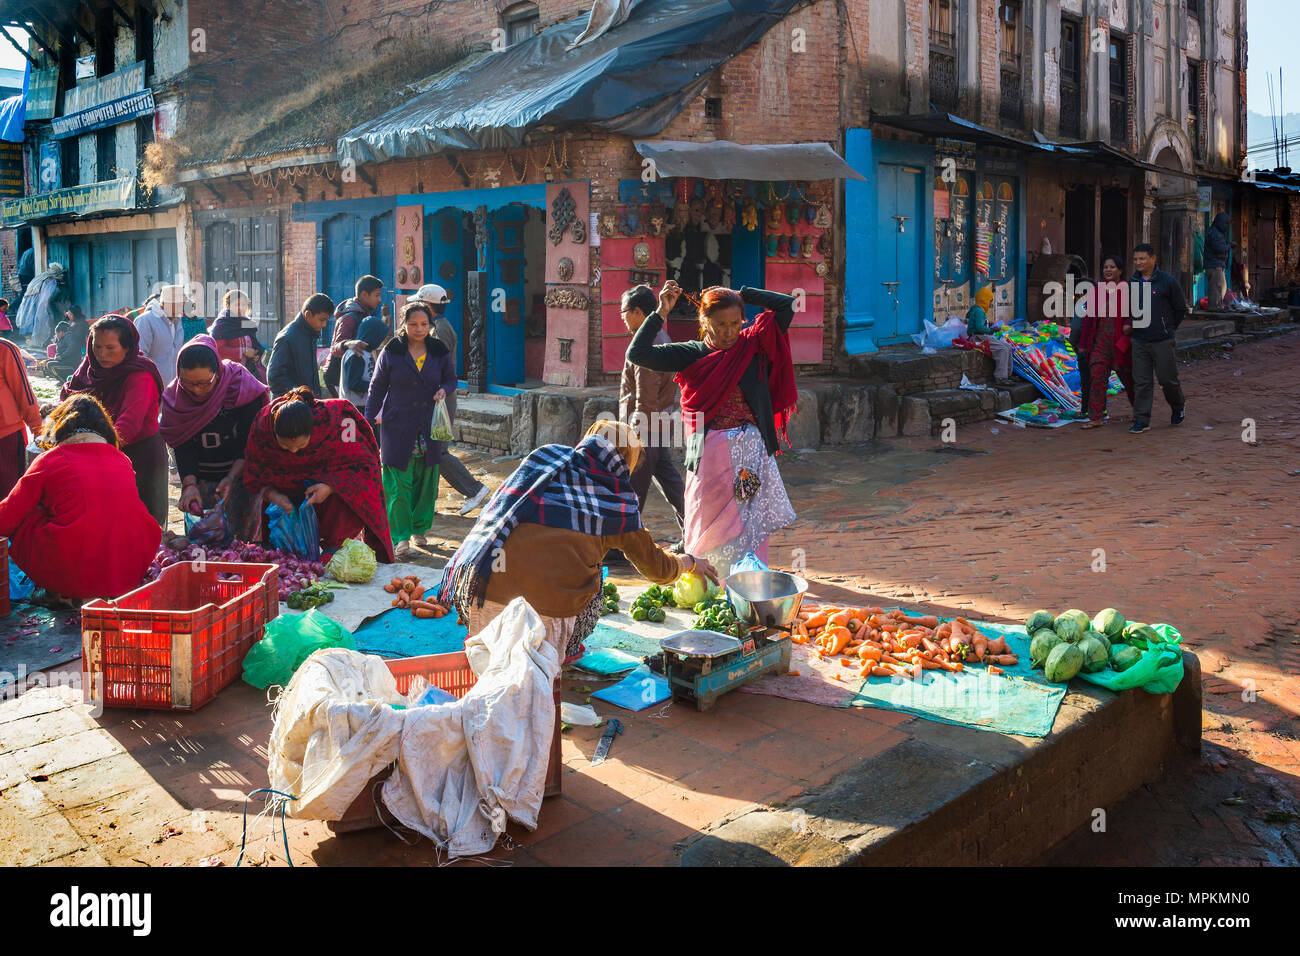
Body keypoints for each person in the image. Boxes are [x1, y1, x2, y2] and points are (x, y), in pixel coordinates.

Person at [440, 420, 718, 665]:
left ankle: (488, 638)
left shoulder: (544, 461)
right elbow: (658, 570)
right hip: (544, 623)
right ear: (626, 461)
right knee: (597, 580)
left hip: (479, 599)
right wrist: (689, 562)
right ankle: (566, 647)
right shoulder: (616, 503)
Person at [627, 281, 797, 573]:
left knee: (749, 521)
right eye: (720, 324)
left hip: (751, 456)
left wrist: (742, 294)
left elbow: (787, 305)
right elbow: (638, 353)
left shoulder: (753, 345)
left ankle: (749, 579)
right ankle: (706, 581)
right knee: (706, 519)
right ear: (704, 322)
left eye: (735, 323)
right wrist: (660, 312)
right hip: (710, 457)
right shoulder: (690, 353)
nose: (729, 332)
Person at [0, 395, 160, 603]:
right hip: (129, 572)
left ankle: (59, 591)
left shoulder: (50, 459)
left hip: (73, 575)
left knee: (27, 511)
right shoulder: (122, 459)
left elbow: (6, 517)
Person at [243, 386, 395, 562]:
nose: (293, 452)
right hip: (283, 507)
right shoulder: (263, 427)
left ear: (313, 432)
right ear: (274, 435)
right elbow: (255, 474)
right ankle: (284, 551)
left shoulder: (334, 422)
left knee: (346, 491)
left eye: (300, 446)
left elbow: (363, 467)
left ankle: (335, 546)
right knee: (283, 552)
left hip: (328, 501)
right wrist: (273, 495)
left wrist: (330, 487)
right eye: (285, 447)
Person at [365, 301, 458, 559]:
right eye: (414, 324)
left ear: (430, 325)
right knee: (397, 484)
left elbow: (451, 379)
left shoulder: (439, 350)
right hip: (397, 426)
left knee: (426, 482)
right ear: (404, 325)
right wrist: (369, 419)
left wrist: (444, 390)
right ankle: (401, 536)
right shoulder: (392, 351)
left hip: (429, 426)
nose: (419, 329)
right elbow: (377, 388)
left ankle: (419, 528)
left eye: (424, 324)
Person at [60, 315, 168, 525]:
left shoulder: (140, 376)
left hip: (139, 457)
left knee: (141, 525)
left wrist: (96, 454)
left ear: (127, 348)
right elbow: (68, 401)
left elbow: (128, 425)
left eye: (110, 348)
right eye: (97, 347)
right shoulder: (88, 371)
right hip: (98, 456)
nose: (101, 354)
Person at [159, 335, 270, 536]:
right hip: (201, 480)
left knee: (244, 546)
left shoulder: (240, 387)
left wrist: (231, 477)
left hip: (242, 477)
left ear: (218, 373)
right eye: (188, 383)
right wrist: (189, 485)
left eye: (204, 383)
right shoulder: (176, 399)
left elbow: (249, 442)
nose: (196, 390)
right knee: (204, 543)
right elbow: (183, 445)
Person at [409, 283, 491, 516]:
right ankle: (426, 502)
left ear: (427, 305)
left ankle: (474, 489)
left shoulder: (440, 331)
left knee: (437, 450)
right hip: (437, 394)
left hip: (440, 396)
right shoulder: (437, 327)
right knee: (429, 451)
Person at [618, 284, 686, 539]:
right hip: (659, 424)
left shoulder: (646, 345)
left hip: (645, 429)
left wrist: (634, 438)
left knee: (632, 489)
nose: (622, 316)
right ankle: (696, 532)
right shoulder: (660, 337)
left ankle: (622, 543)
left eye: (624, 311)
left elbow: (645, 396)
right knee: (669, 482)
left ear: (637, 311)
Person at [1128, 243, 1188, 434]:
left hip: (1162, 340)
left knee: (1167, 379)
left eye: (1142, 258)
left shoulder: (1167, 281)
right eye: (1136, 259)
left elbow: (1180, 308)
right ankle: (1142, 419)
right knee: (1142, 382)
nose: (1138, 262)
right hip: (1139, 339)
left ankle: (1178, 405)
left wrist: (1168, 328)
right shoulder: (1132, 283)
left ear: (1153, 259)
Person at [1079, 254, 1135, 429]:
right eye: (1105, 267)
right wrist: (1083, 344)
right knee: (1097, 377)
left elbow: (1132, 316)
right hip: (1100, 343)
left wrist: (1128, 328)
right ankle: (1095, 417)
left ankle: (1139, 412)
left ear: (1120, 270)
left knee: (1129, 381)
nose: (1108, 270)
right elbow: (1088, 320)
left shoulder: (1127, 290)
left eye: (1112, 267)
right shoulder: (1097, 290)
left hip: (1121, 344)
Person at [324, 275, 384, 397]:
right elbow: (335, 348)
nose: (379, 299)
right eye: (376, 295)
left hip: (353, 376)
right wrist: (347, 344)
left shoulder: (362, 314)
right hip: (338, 377)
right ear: (364, 295)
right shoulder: (349, 318)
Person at [268, 293, 334, 398]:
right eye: (322, 320)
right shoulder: (287, 338)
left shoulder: (310, 333)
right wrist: (301, 395)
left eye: (326, 320)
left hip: (308, 404)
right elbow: (274, 378)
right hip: (291, 408)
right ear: (308, 314)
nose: (324, 325)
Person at [0, 332, 41, 499]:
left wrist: (38, 430)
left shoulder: (5, 349)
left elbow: (24, 393)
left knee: (10, 496)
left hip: (6, 437)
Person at [209, 289, 268, 382]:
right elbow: (218, 351)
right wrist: (243, 351)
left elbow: (254, 342)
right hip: (228, 376)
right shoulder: (221, 325)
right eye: (237, 305)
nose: (241, 308)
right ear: (228, 306)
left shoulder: (247, 323)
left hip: (249, 374)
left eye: (244, 304)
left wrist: (256, 354)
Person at [135, 285, 187, 382]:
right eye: (177, 304)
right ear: (164, 303)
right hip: (150, 386)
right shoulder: (146, 320)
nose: (181, 309)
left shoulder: (178, 323)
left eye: (182, 304)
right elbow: (138, 357)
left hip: (170, 389)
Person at [964, 285, 1015, 383]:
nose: (990, 303)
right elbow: (979, 328)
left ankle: (1008, 374)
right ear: (984, 300)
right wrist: (992, 330)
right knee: (1003, 349)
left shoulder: (976, 309)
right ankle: (1000, 377)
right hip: (978, 337)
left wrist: (988, 322)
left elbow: (973, 320)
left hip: (979, 336)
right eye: (990, 300)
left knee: (1008, 347)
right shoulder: (979, 311)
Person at [15, 261, 70, 347]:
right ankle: (42, 341)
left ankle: (34, 341)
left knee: (32, 321)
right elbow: (47, 298)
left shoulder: (41, 277)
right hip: (41, 304)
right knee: (43, 322)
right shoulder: (50, 281)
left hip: (32, 303)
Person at [340, 314, 389, 408]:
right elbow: (354, 384)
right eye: (380, 338)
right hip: (355, 406)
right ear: (372, 336)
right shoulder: (356, 354)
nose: (380, 342)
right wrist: (378, 385)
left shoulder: (368, 351)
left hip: (365, 403)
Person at [50, 307, 91, 381]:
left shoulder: (82, 323)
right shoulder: (70, 322)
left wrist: (62, 355)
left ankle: (65, 370)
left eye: (70, 314)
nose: (69, 316)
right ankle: (60, 369)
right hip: (68, 343)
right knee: (51, 347)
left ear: (76, 314)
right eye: (68, 314)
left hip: (80, 346)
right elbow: (62, 329)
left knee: (63, 353)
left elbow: (75, 340)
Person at [1204, 211, 1230, 310]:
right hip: (1214, 264)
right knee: (1216, 287)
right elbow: (1218, 248)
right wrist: (1229, 246)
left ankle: (1218, 306)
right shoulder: (1215, 232)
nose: (1226, 226)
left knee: (1221, 287)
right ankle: (1214, 307)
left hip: (1217, 264)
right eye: (1225, 223)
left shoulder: (1216, 232)